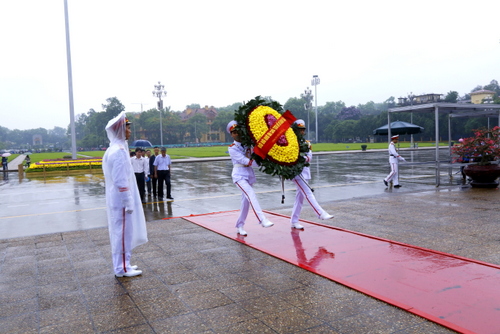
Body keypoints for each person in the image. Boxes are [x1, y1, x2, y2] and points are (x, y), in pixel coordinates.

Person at [102, 112, 148, 277]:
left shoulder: (113, 149)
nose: (129, 131)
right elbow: (120, 180)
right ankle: (121, 268)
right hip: (121, 201)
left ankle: (125, 264)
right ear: (121, 130)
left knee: (123, 233)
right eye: (127, 128)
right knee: (122, 234)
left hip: (118, 199)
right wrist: (128, 202)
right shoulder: (119, 151)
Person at [227, 120, 274, 236]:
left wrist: (265, 160)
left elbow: (255, 158)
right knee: (251, 194)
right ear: (231, 134)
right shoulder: (232, 148)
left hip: (249, 174)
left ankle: (240, 225)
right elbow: (245, 161)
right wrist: (258, 162)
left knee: (245, 202)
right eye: (234, 132)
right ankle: (262, 219)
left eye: (238, 131)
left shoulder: (249, 144)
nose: (237, 133)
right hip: (239, 175)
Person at [290, 120, 334, 230]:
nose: (302, 132)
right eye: (299, 130)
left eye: (303, 130)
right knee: (308, 193)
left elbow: (309, 158)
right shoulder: (289, 143)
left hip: (305, 172)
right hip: (296, 173)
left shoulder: (307, 143)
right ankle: (320, 213)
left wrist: (300, 158)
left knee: (299, 199)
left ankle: (294, 221)